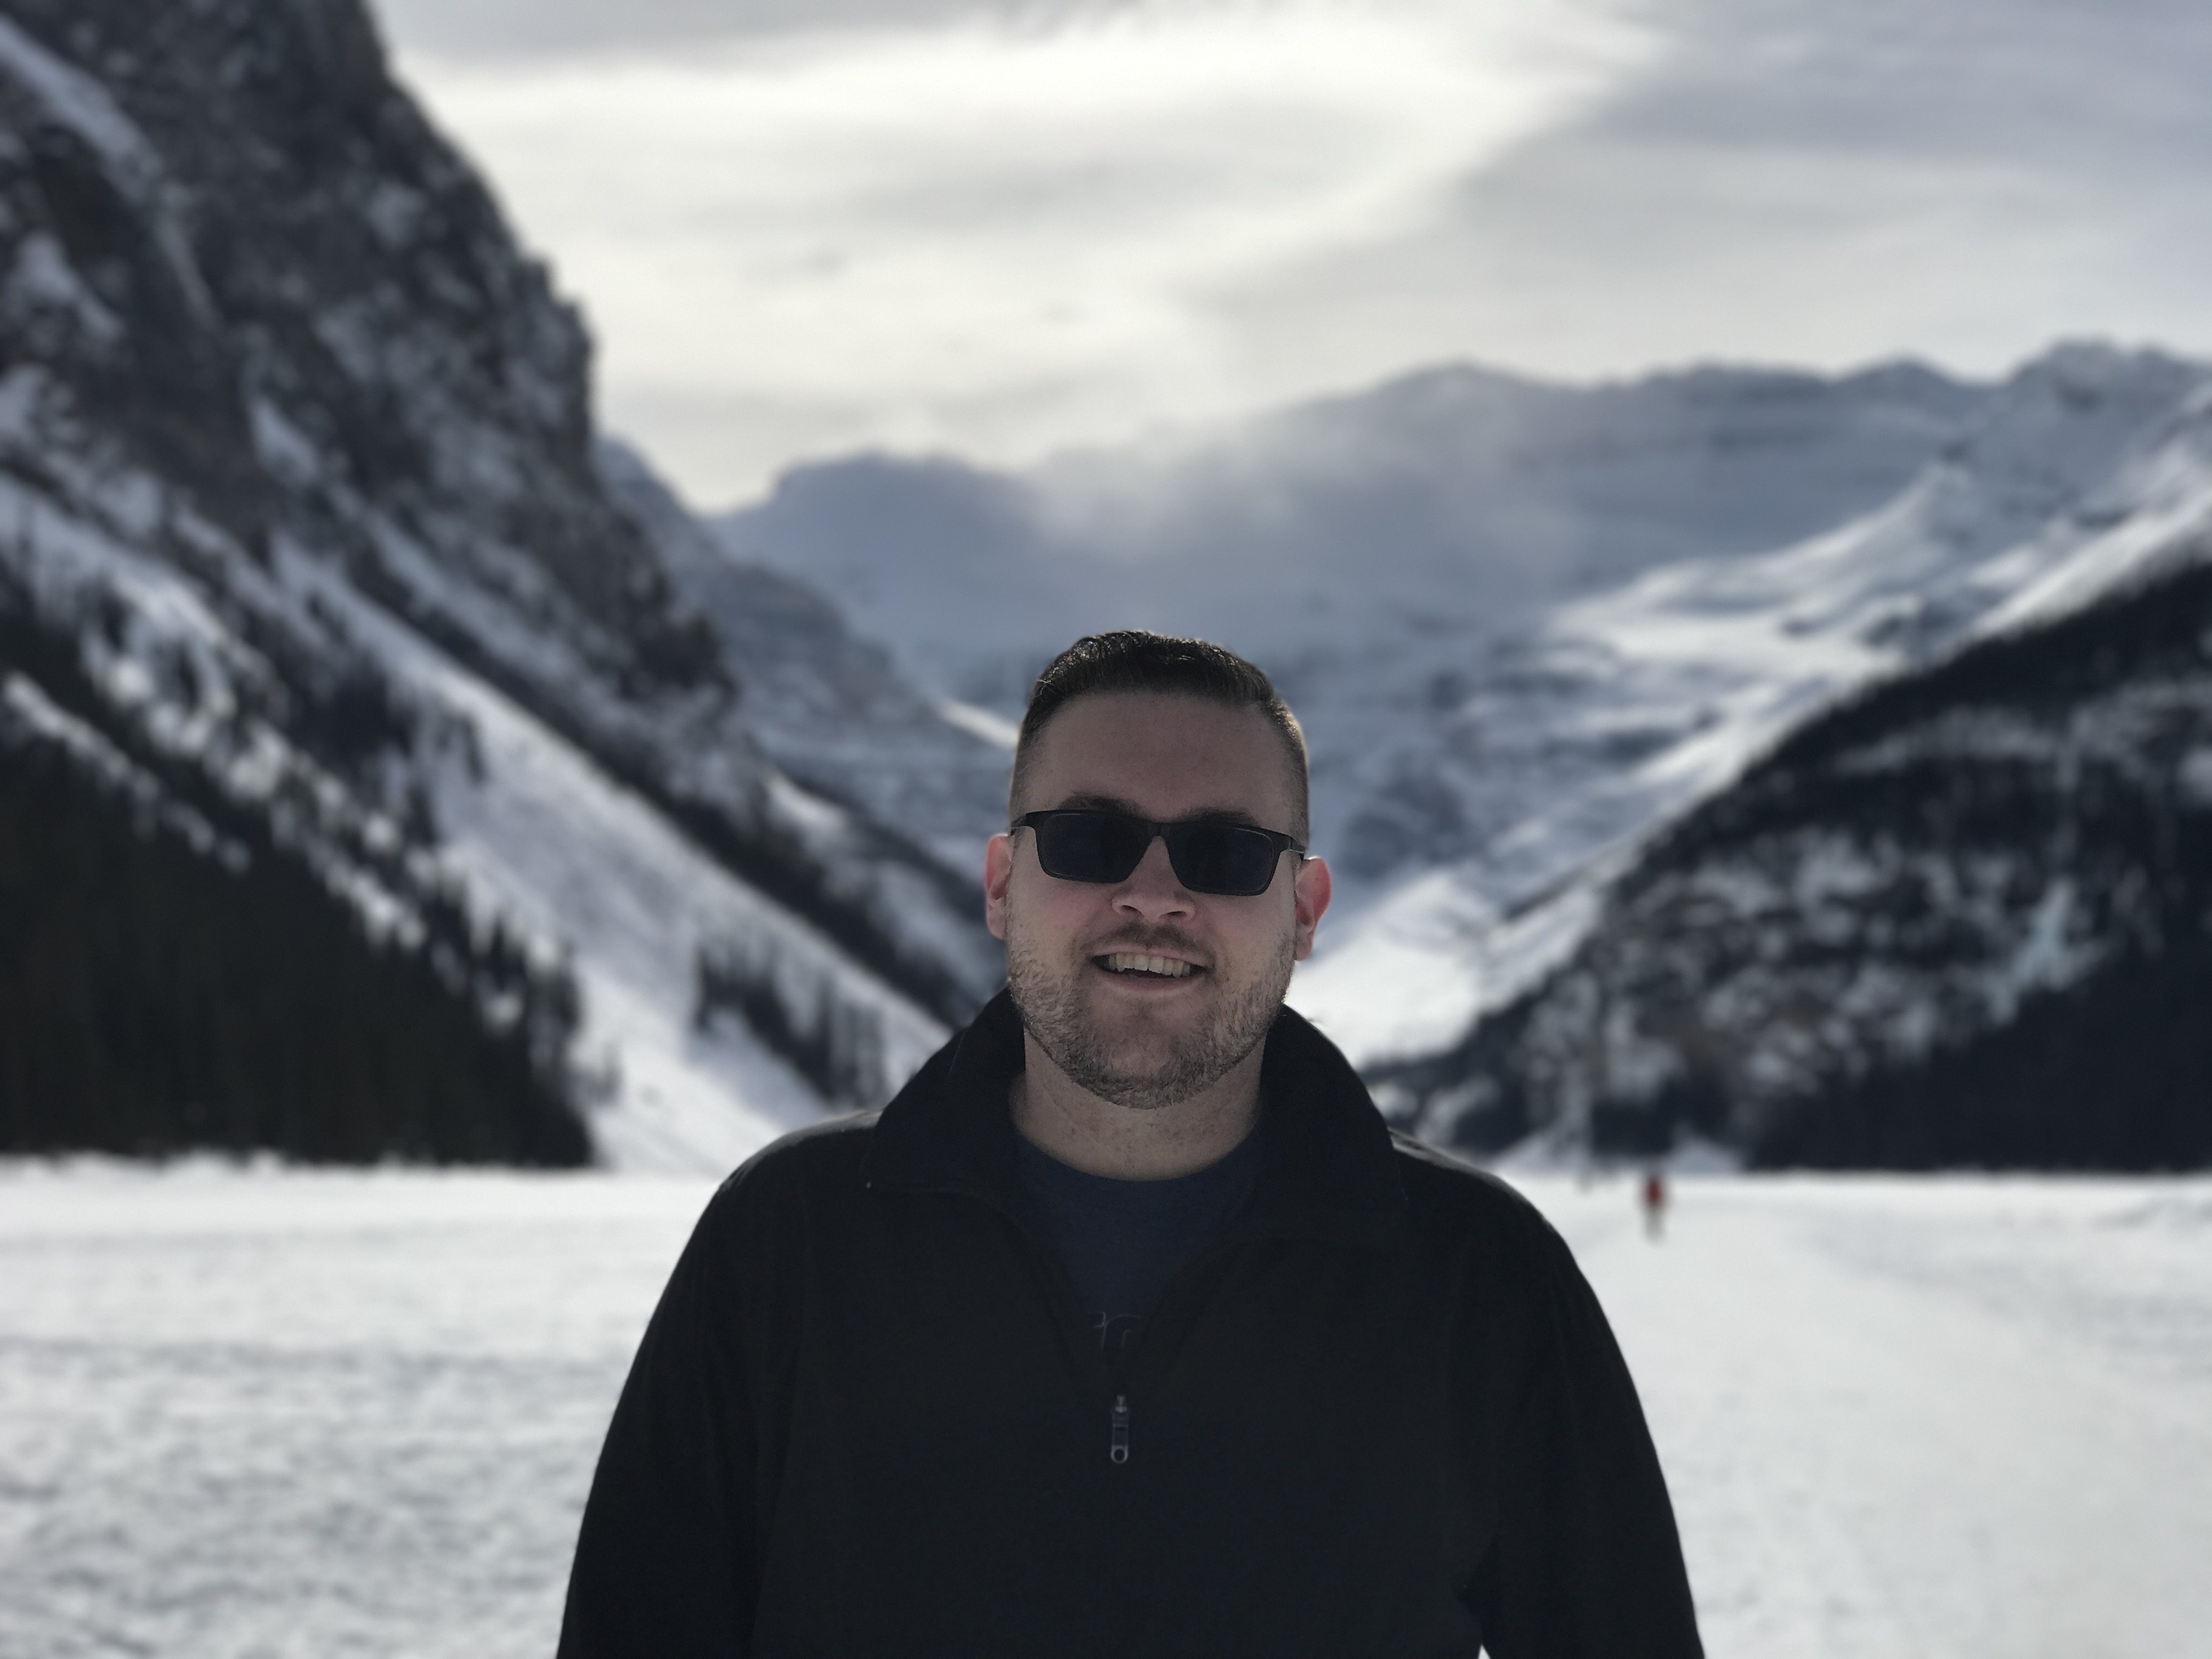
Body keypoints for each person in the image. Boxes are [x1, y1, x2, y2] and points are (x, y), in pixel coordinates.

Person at [557, 631, 1703, 1658]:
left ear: (1304, 910)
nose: (1153, 896)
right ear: (1004, 884)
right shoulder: (788, 1249)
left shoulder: (1482, 1283)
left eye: (1224, 854)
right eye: (1091, 839)